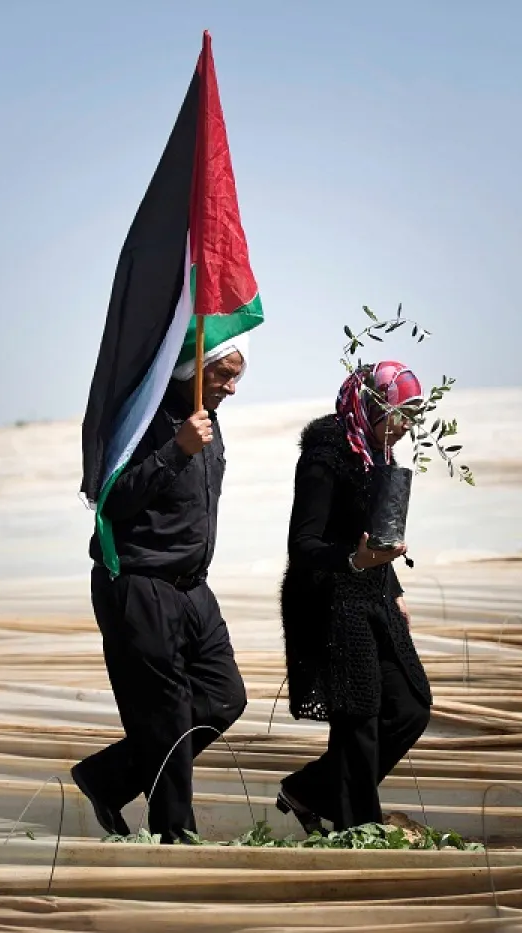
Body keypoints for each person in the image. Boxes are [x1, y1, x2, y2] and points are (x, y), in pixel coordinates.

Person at [71, 333, 250, 844]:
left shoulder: (207, 421)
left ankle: (109, 777)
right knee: (167, 714)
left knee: (224, 696)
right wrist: (176, 450)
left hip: (193, 588)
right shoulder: (143, 419)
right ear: (189, 370)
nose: (232, 387)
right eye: (222, 374)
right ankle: (178, 839)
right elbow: (111, 499)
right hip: (139, 582)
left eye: (238, 375)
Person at [275, 360, 434, 833]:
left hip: (374, 594)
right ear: (368, 407)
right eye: (397, 415)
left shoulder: (379, 455)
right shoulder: (325, 457)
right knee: (357, 722)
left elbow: (376, 537)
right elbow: (302, 546)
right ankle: (358, 830)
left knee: (410, 706)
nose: (404, 427)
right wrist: (353, 561)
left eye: (412, 416)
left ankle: (308, 790)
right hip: (328, 601)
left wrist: (394, 585)